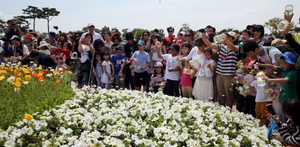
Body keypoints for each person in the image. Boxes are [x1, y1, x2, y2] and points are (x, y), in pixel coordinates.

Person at [201, 32, 238, 108]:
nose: (226, 38)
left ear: (234, 39)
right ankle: (222, 108)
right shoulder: (221, 47)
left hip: (229, 75)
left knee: (229, 94)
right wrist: (203, 37)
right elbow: (210, 45)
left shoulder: (236, 47)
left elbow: (234, 48)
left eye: (229, 37)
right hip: (219, 73)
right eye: (226, 36)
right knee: (221, 94)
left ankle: (229, 110)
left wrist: (226, 40)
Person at [258, 52, 298, 123]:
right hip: (283, 99)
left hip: (290, 100)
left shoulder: (292, 72)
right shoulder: (284, 69)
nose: (282, 65)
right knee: (283, 117)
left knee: (289, 119)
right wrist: (261, 64)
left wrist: (269, 79)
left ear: (291, 64)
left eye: (284, 64)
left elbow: (285, 80)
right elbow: (273, 67)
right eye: (281, 63)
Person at [248, 61, 272, 126]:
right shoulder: (255, 79)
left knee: (264, 113)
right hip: (258, 99)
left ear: (263, 70)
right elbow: (249, 86)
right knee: (258, 112)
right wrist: (251, 78)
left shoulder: (265, 77)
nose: (256, 72)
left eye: (258, 70)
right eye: (255, 70)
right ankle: (258, 124)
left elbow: (270, 84)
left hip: (266, 99)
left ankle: (263, 125)